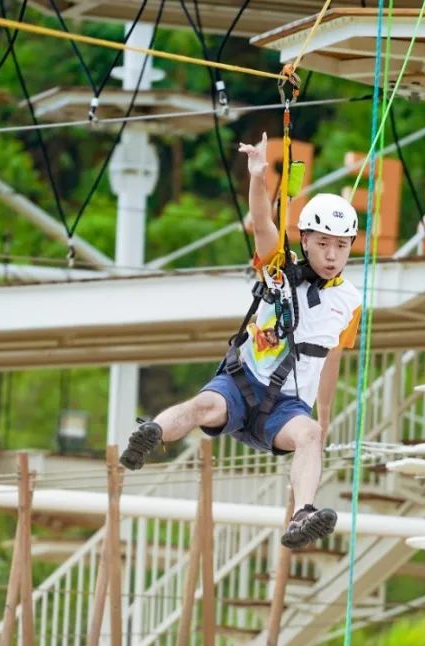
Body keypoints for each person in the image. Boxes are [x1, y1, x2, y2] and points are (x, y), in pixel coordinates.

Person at [120, 132, 362, 550]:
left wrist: (323, 417)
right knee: (204, 405)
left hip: (286, 408)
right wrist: (258, 177)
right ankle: (151, 434)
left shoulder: (351, 301)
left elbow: (332, 357)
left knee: (309, 437)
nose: (330, 255)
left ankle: (302, 515)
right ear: (305, 241)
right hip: (242, 382)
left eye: (340, 247)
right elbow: (265, 224)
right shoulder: (279, 270)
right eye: (322, 244)